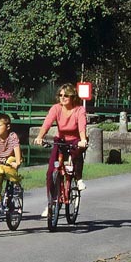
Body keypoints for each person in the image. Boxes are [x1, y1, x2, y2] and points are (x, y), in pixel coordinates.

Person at [33, 83, 88, 217]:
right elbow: (47, 123)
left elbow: (82, 126)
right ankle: (51, 203)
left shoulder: (79, 110)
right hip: (61, 140)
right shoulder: (56, 109)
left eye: (66, 96)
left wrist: (83, 139)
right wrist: (40, 137)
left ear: (73, 97)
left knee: (77, 154)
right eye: (60, 95)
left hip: (75, 139)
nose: (62, 98)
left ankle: (78, 179)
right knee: (51, 172)